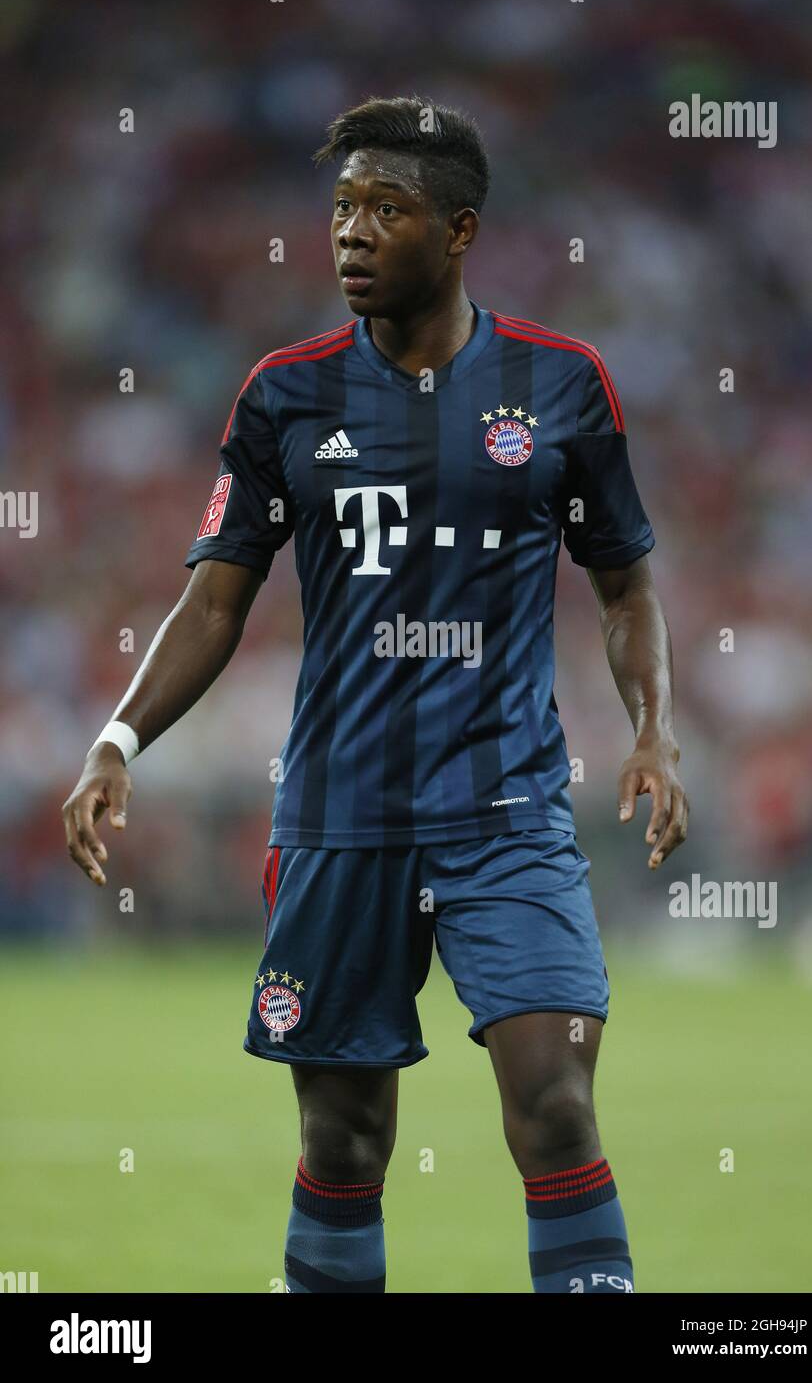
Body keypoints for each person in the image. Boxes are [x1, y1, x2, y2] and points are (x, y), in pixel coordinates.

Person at [63, 95, 689, 1294]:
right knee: (342, 1138)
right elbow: (211, 601)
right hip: (339, 820)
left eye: (384, 210)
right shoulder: (283, 397)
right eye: (341, 207)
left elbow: (624, 587)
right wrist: (115, 741)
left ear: (457, 232)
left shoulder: (563, 385)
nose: (349, 232)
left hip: (508, 813)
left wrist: (654, 730)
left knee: (554, 1104)